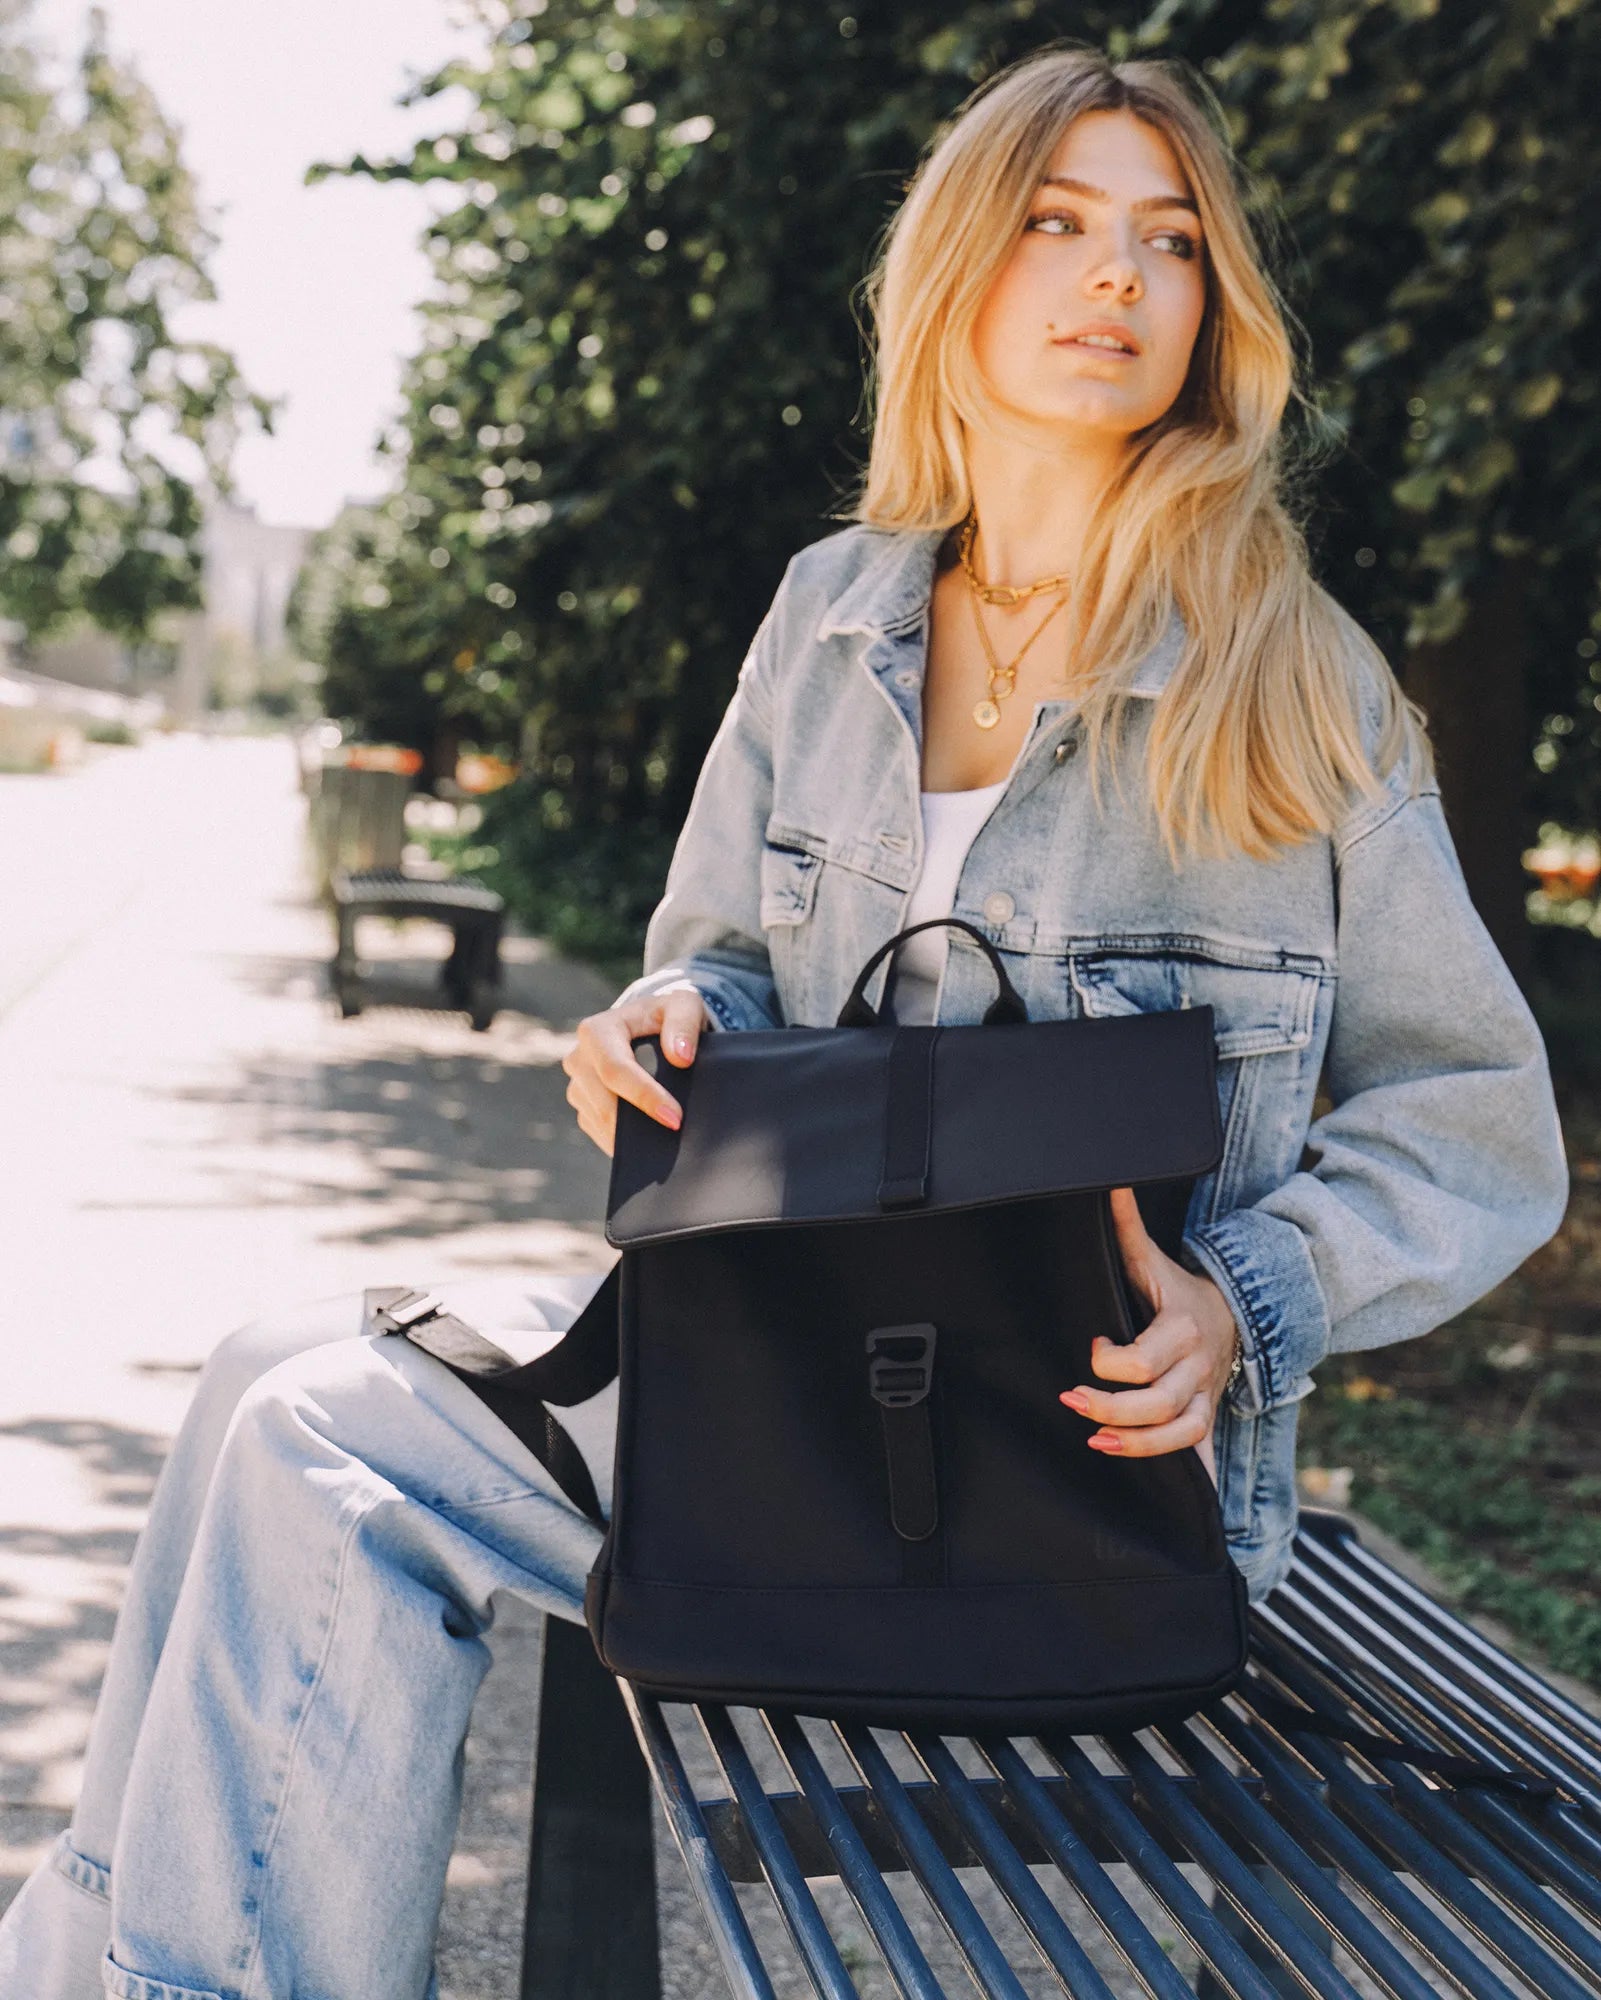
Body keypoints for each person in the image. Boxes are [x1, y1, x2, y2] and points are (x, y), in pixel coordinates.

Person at [0, 42, 1568, 2000]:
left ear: (1213, 305)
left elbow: (1481, 1120)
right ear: (957, 277)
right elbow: (721, 957)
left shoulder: (1294, 681)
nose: (1119, 277)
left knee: (326, 1431)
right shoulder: (833, 614)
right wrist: (664, 1018)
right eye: (1059, 223)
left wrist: (1248, 1298)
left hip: (1069, 1491)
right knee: (269, 1373)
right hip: (780, 1398)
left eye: (1170, 240)